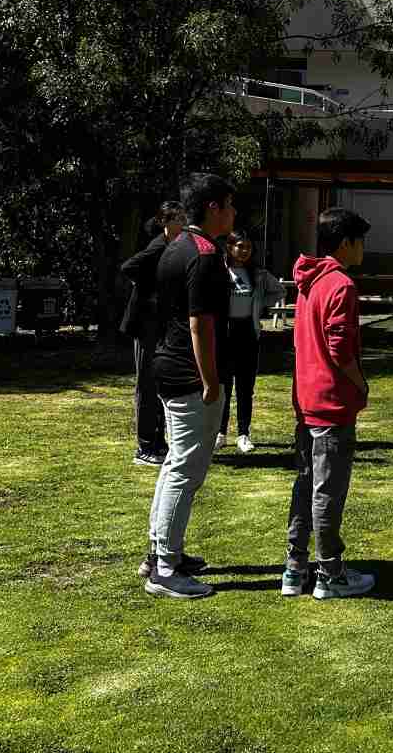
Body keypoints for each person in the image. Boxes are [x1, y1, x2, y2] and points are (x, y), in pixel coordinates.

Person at [141, 173, 236, 600]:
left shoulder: (174, 245)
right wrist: (211, 380)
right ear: (212, 207)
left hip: (166, 364)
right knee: (186, 469)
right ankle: (165, 566)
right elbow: (200, 323)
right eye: (229, 205)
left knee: (174, 464)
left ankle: (159, 551)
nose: (234, 213)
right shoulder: (205, 253)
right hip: (188, 373)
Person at [282, 207, 376, 600]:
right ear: (345, 243)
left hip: (307, 398)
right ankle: (331, 574)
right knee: (327, 491)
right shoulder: (340, 285)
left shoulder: (309, 280)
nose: (363, 249)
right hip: (330, 403)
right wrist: (361, 384)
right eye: (360, 241)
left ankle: (294, 568)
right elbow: (339, 349)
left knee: (306, 486)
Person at [120, 200, 185, 467]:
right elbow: (128, 267)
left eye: (184, 218)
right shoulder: (158, 247)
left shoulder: (173, 248)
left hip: (158, 325)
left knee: (158, 382)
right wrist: (148, 290)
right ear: (164, 222)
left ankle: (159, 442)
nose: (182, 223)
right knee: (147, 384)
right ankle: (145, 446)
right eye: (177, 219)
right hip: (145, 324)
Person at [216, 230, 284, 454]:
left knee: (246, 387)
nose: (243, 251)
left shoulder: (258, 274)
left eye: (248, 247)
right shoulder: (219, 271)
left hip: (248, 333)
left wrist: (260, 303)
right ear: (229, 247)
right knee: (223, 386)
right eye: (239, 246)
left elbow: (279, 290)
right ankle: (220, 432)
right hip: (225, 334)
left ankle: (243, 434)